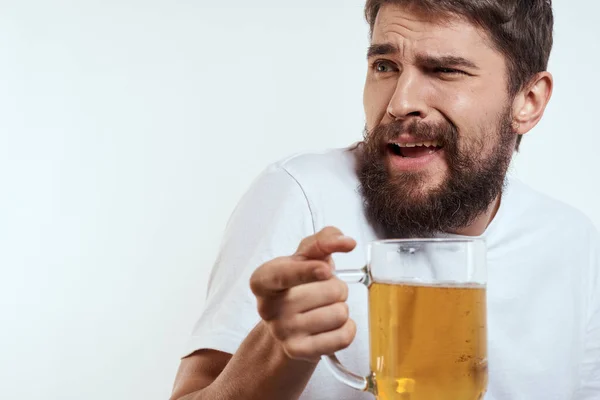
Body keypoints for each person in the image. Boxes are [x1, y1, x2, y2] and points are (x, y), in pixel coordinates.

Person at [170, 1, 600, 399]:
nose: (400, 102)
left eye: (445, 71)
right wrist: (277, 352)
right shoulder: (302, 194)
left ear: (528, 101)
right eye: (384, 65)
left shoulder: (573, 242)